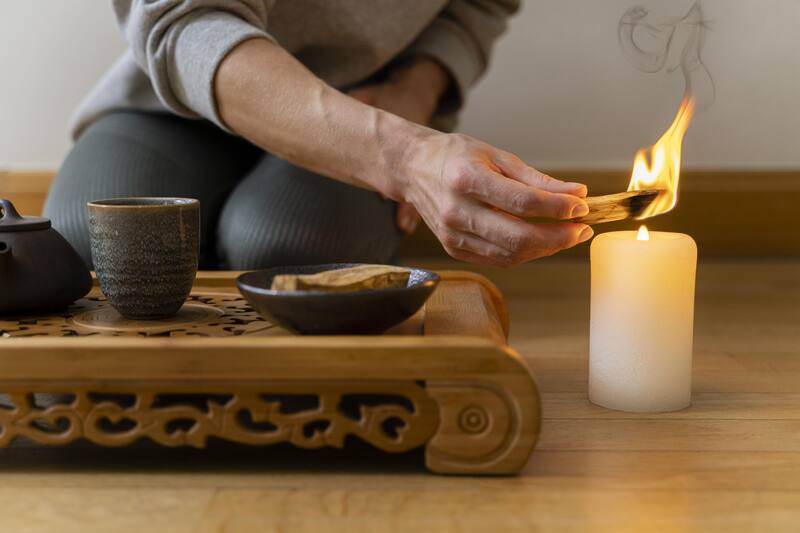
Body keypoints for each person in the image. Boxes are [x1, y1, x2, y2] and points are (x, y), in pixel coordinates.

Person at [44, 0, 593, 270]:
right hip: (176, 103)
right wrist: (402, 156)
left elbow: (478, 6)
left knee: (289, 251)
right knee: (93, 241)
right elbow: (185, 20)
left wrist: (415, 90)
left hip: (368, 100)